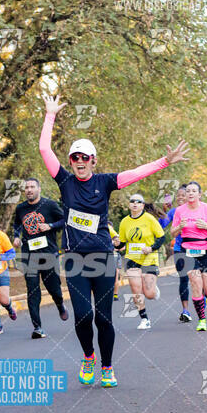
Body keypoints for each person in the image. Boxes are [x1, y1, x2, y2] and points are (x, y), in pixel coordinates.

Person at [39, 94, 188, 387]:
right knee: (82, 316)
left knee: (103, 319)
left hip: (104, 258)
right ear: (70, 161)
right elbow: (45, 148)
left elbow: (135, 173)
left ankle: (107, 366)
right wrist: (50, 115)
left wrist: (165, 162)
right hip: (75, 259)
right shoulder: (65, 181)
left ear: (93, 160)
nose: (79, 162)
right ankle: (88, 357)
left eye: (84, 158)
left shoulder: (105, 181)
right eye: (75, 158)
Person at [13, 178, 68, 339]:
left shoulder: (49, 205)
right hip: (29, 255)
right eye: (27, 188)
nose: (29, 190)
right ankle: (37, 327)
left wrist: (50, 226)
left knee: (54, 288)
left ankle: (59, 304)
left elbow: (65, 220)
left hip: (48, 253)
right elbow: (17, 224)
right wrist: (16, 236)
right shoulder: (21, 208)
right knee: (32, 290)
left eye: (32, 187)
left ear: (39, 188)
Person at [171, 181, 207, 332]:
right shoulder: (180, 211)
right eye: (188, 191)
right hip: (188, 250)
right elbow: (172, 233)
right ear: (185, 195)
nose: (190, 193)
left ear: (199, 194)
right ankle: (202, 320)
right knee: (195, 283)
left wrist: (206, 226)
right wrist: (180, 227)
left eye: (194, 191)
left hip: (206, 250)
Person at [118, 195, 165, 329]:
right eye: (132, 201)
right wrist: (116, 244)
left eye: (138, 202)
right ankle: (144, 319)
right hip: (132, 258)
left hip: (149, 258)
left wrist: (151, 248)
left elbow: (161, 238)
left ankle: (153, 290)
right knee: (135, 288)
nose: (135, 204)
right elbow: (121, 242)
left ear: (143, 205)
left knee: (149, 294)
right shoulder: (124, 222)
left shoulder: (149, 219)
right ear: (129, 205)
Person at [159, 184, 192, 322]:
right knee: (183, 278)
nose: (180, 197)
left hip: (195, 247)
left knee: (197, 278)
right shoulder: (173, 212)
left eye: (183, 195)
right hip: (179, 248)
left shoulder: (196, 209)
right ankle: (185, 311)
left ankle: (201, 301)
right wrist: (164, 211)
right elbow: (161, 226)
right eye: (178, 195)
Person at [107, 220, 122, 301]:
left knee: (115, 276)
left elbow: (123, 247)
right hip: (111, 256)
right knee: (111, 277)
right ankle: (112, 295)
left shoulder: (114, 237)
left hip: (114, 257)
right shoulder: (108, 237)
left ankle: (114, 295)